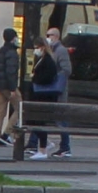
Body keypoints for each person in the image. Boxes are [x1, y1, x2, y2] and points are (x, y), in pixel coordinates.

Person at [26, 26, 72, 157]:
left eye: (50, 35)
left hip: (56, 91)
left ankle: (64, 146)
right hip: (47, 91)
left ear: (56, 36)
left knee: (59, 120)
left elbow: (66, 69)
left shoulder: (61, 51)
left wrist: (54, 77)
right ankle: (36, 143)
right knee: (41, 118)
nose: (48, 37)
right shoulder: (49, 53)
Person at [0, 28, 21, 143]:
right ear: (13, 38)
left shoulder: (1, 51)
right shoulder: (12, 52)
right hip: (8, 86)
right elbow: (11, 71)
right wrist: (13, 88)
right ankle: (6, 134)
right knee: (20, 108)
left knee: (1, 111)